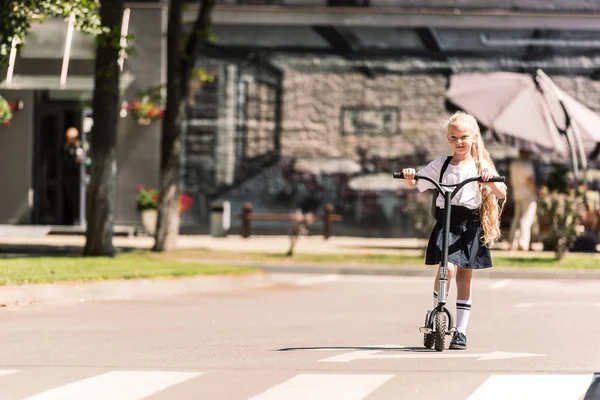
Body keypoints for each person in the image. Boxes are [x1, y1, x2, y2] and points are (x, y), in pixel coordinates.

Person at [401, 111, 507, 350]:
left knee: (465, 276)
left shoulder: (481, 166)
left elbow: (501, 193)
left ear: (475, 138)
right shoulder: (441, 165)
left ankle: (460, 331)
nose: (459, 142)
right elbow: (416, 183)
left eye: (464, 137)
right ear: (448, 139)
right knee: (445, 269)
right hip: (446, 220)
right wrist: (409, 177)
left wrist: (490, 181)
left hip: (469, 224)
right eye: (454, 137)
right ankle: (438, 307)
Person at [508, 149, 537, 251]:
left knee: (517, 218)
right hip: (527, 194)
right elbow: (529, 180)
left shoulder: (514, 163)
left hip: (517, 193)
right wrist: (534, 193)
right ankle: (523, 243)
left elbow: (510, 179)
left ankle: (513, 242)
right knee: (526, 219)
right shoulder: (527, 164)